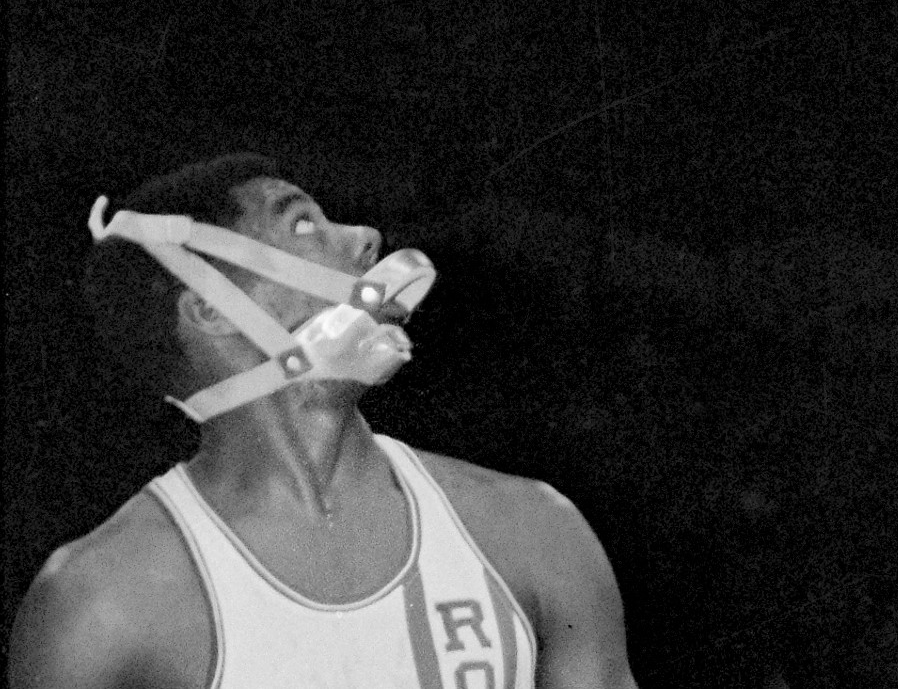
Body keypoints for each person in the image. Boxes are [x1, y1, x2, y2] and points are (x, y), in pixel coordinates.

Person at [9, 153, 639, 689]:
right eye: (304, 223)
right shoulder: (99, 606)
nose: (365, 235)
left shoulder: (532, 530)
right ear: (209, 309)